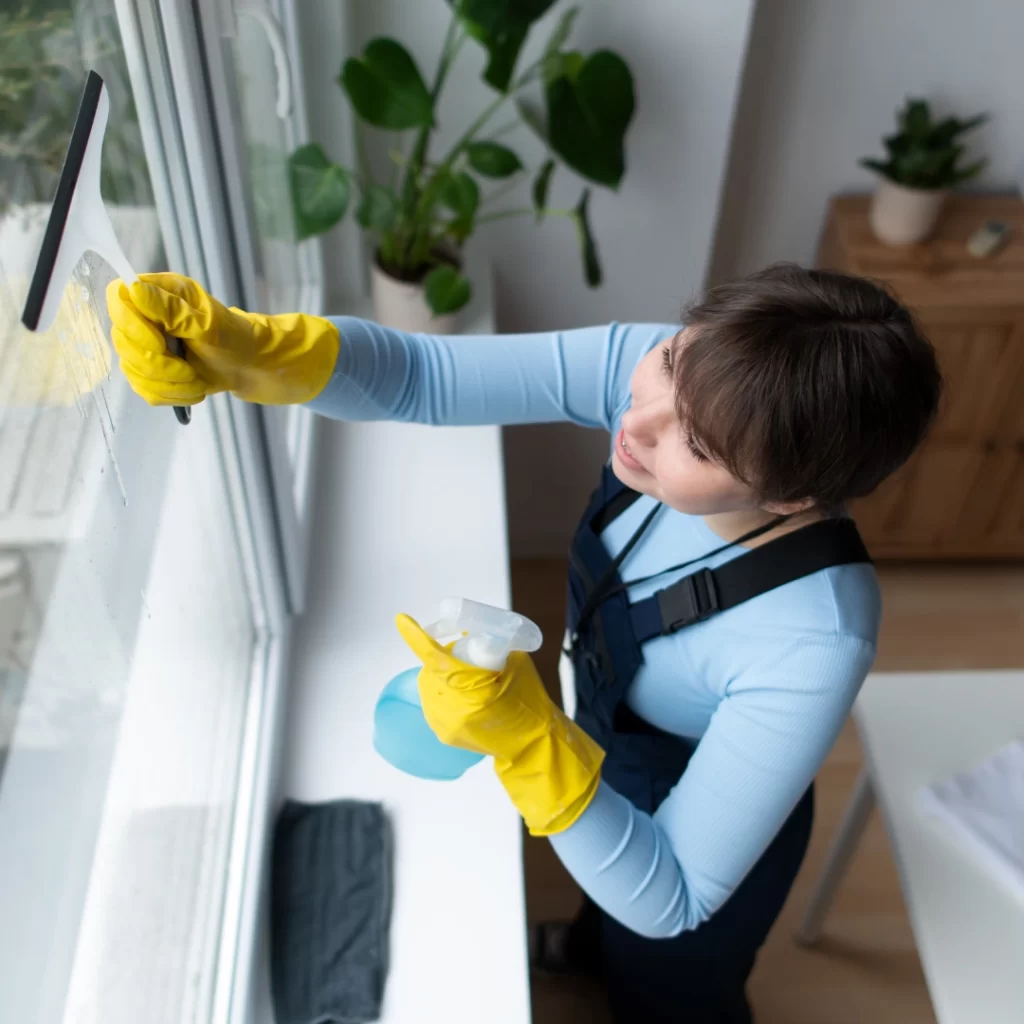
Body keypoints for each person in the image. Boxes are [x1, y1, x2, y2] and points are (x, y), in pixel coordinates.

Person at [106, 264, 942, 1023]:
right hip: (610, 746)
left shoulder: (815, 635)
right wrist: (252, 351)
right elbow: (421, 375)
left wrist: (531, 741)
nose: (638, 421)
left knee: (671, 988)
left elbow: (675, 891)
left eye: (696, 442)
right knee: (600, 919)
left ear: (794, 497)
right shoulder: (671, 378)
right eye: (674, 362)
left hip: (702, 830)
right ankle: (582, 953)